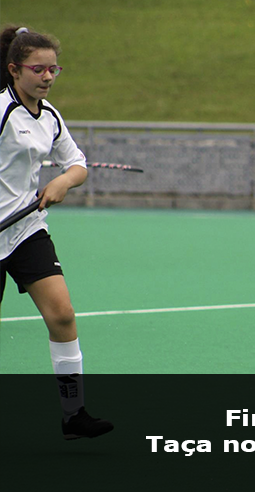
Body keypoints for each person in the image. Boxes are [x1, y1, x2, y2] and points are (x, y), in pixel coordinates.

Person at [0, 25, 113, 439]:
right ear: (14, 70)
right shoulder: (2, 111)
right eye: (39, 69)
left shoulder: (49, 116)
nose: (48, 77)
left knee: (62, 314)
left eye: (54, 69)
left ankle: (73, 414)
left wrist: (63, 181)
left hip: (26, 229)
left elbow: (77, 163)